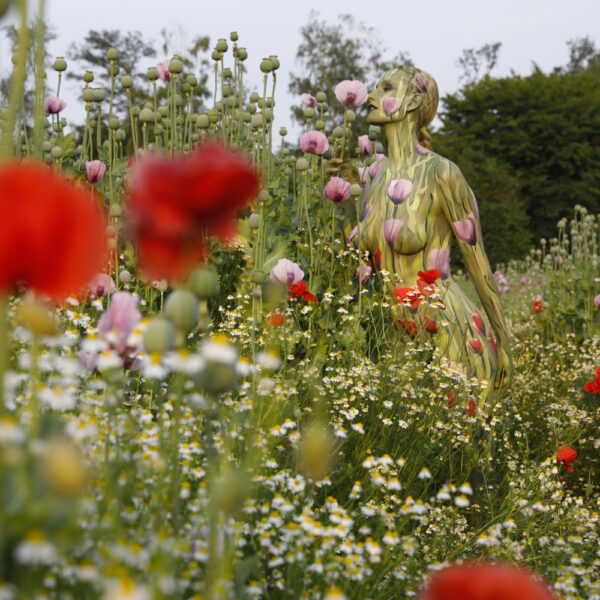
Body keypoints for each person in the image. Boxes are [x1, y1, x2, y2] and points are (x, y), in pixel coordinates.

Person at [357, 65, 512, 401]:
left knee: (458, 451)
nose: (371, 95)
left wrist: (503, 342)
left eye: (386, 88)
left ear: (412, 102)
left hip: (451, 337)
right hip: (390, 339)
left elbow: (478, 263)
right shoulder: (372, 174)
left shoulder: (443, 173)